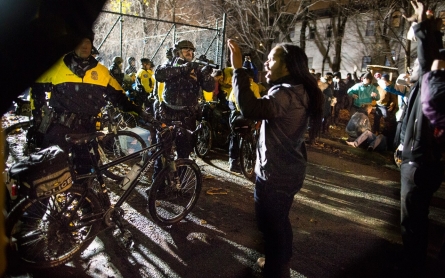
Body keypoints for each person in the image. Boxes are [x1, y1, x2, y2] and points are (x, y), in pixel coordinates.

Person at [228, 39, 323, 278]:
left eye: (272, 59)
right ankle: (279, 261)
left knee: (270, 225)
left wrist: (238, 69)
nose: (266, 63)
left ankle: (276, 269)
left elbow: (249, 108)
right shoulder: (300, 91)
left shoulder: (285, 93)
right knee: (279, 221)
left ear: (288, 66)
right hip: (290, 171)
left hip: (276, 174)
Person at [29, 33, 152, 173]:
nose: (85, 45)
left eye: (88, 41)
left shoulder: (102, 71)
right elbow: (37, 88)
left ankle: (82, 194)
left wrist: (139, 111)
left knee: (86, 175)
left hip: (88, 131)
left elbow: (119, 98)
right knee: (52, 176)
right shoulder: (57, 67)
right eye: (81, 41)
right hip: (60, 129)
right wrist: (37, 117)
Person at [396, 1, 445, 275]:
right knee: (415, 217)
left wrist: (422, 29)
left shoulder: (433, 83)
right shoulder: (422, 85)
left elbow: (430, 63)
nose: (414, 66)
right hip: (416, 156)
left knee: (413, 219)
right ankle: (414, 259)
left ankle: (412, 265)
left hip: (421, 161)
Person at [154, 39, 214, 162]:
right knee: (162, 153)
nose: (190, 52)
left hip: (187, 117)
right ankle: (159, 179)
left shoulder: (196, 69)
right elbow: (159, 75)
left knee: (184, 153)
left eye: (191, 50)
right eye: (186, 49)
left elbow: (209, 87)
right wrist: (183, 68)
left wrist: (206, 73)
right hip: (167, 114)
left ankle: (181, 180)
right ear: (177, 52)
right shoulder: (170, 64)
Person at [227, 68, 261, 172]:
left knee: (235, 137)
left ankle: (234, 162)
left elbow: (230, 101)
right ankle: (246, 159)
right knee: (247, 134)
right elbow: (258, 100)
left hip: (238, 115)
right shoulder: (253, 86)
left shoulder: (238, 85)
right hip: (245, 114)